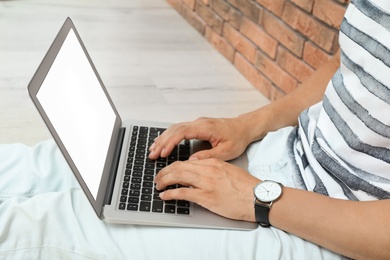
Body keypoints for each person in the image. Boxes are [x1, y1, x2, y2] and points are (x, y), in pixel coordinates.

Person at [0, 0, 389, 259]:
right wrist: (246, 125)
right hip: (285, 152)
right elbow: (344, 65)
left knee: (31, 228)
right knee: (35, 167)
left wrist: (258, 198)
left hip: (334, 229)